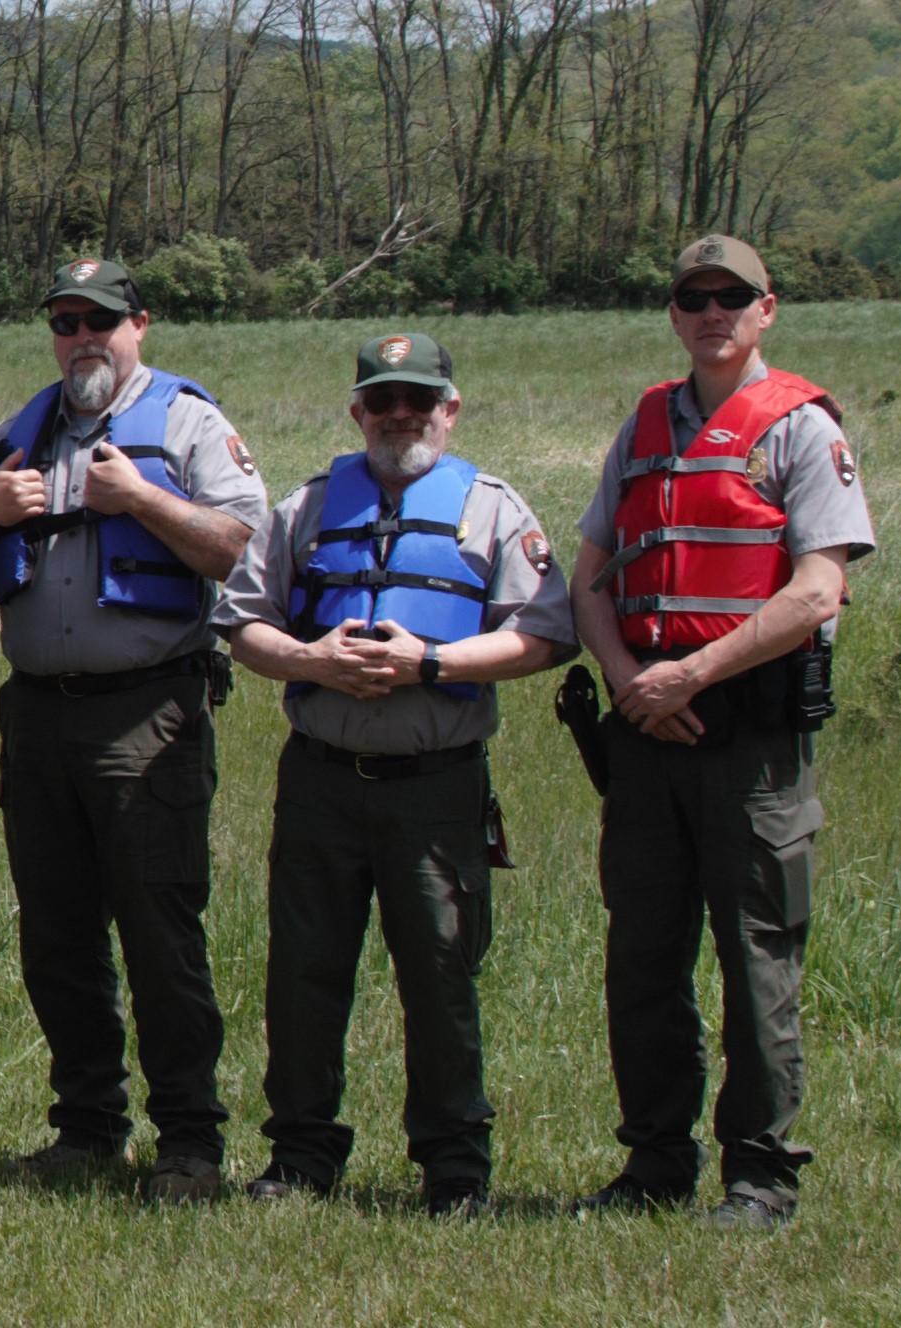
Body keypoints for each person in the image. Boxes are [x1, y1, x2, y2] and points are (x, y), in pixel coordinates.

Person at [217, 332, 574, 1216]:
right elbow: (243, 623)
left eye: (419, 401)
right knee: (303, 974)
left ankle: (454, 1169)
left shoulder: (493, 509)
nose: (400, 416)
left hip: (436, 784)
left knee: (441, 973)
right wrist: (311, 660)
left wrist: (433, 664)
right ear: (357, 412)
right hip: (322, 778)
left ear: (450, 410)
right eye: (383, 401)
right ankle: (301, 1158)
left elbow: (544, 632)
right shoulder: (303, 508)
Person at [565, 237, 867, 1232]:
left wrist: (691, 672)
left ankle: (761, 1175)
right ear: (674, 312)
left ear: (767, 309)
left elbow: (820, 587)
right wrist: (628, 682)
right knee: (643, 958)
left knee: (757, 959)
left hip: (750, 740)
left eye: (731, 297)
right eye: (693, 297)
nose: (712, 312)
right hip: (647, 737)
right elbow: (590, 575)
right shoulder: (645, 423)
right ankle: (655, 1161)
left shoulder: (802, 430)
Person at [0, 256, 265, 1203]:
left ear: (142, 324)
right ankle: (87, 1127)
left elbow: (235, 545)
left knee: (159, 926)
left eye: (101, 320)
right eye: (65, 321)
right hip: (38, 711)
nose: (82, 338)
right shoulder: (24, 430)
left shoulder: (186, 423)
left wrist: (139, 498)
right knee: (57, 935)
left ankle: (189, 1141)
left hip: (149, 709)